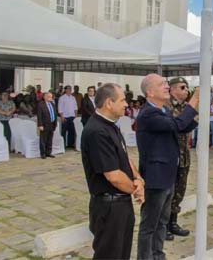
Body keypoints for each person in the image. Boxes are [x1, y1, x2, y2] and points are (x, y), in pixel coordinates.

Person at [136, 74, 199, 260]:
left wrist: (195, 115)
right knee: (149, 225)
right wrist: (193, 101)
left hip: (168, 175)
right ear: (150, 92)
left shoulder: (163, 110)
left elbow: (179, 127)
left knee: (162, 222)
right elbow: (177, 124)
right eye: (162, 84)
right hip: (156, 177)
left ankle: (158, 255)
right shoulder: (148, 113)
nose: (166, 86)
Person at [81, 83, 145, 259]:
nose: (126, 104)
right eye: (123, 100)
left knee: (122, 254)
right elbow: (113, 176)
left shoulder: (111, 125)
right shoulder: (97, 131)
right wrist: (136, 189)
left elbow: (124, 157)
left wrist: (138, 179)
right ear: (109, 102)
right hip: (109, 207)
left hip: (120, 204)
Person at [166, 77, 192, 240]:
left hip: (184, 155)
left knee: (180, 191)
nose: (186, 90)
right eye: (182, 87)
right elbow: (179, 125)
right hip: (171, 155)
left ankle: (173, 222)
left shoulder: (185, 107)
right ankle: (164, 226)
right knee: (168, 192)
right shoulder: (166, 106)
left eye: (187, 87)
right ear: (173, 89)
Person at [37, 92, 57, 159]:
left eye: (51, 97)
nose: (50, 98)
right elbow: (39, 116)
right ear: (44, 97)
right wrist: (40, 125)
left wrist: (55, 123)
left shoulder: (53, 104)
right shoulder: (41, 105)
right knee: (43, 139)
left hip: (52, 124)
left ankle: (49, 152)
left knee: (50, 139)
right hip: (44, 124)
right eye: (48, 96)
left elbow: (55, 114)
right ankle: (43, 153)